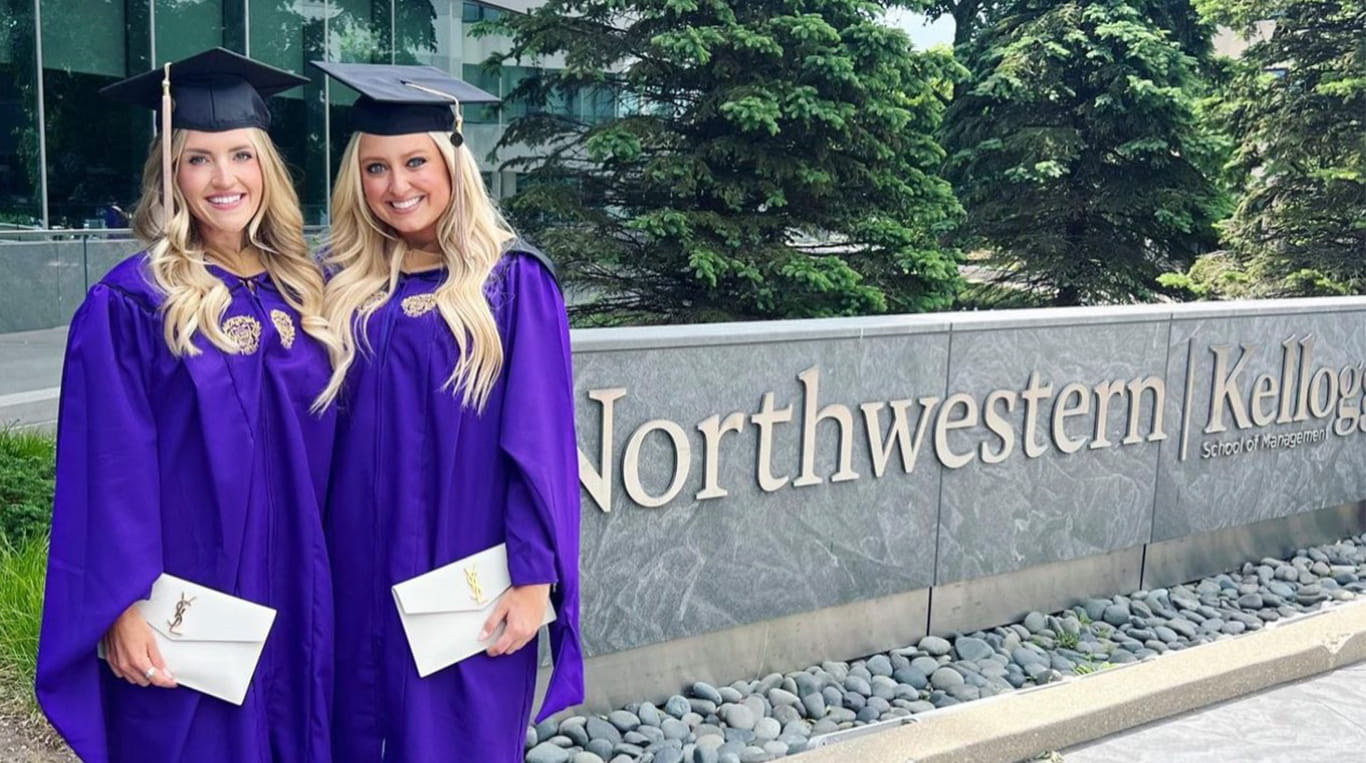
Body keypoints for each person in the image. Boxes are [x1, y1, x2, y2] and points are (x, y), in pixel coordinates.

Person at [35, 48, 339, 763]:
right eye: (199, 158)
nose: (225, 178)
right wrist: (120, 604)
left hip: (299, 573)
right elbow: (106, 466)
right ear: (170, 173)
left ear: (268, 165)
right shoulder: (134, 301)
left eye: (241, 154)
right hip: (191, 586)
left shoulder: (310, 288)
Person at [311, 62, 582, 762]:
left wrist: (532, 581)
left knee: (456, 742)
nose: (397, 186)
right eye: (375, 168)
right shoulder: (339, 284)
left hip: (463, 573)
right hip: (353, 569)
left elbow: (540, 443)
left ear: (453, 165)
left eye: (414, 162)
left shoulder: (512, 283)